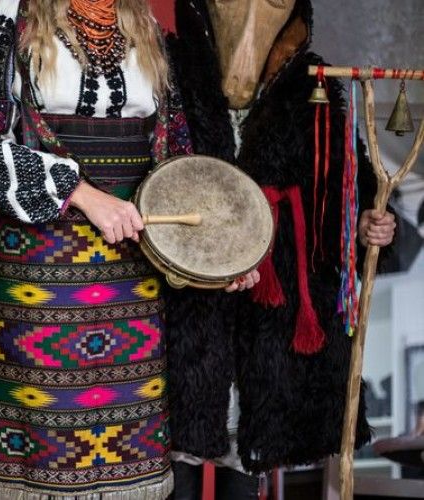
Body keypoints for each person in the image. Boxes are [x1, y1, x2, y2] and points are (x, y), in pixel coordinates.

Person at [0, 0, 258, 498]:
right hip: (39, 276)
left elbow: (175, 158)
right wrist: (81, 194)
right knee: (47, 456)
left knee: (128, 459)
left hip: (132, 274)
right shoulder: (13, 15)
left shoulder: (146, 28)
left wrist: (216, 258)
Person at [164, 0, 396, 498]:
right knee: (175, 459)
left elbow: (344, 187)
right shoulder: (167, 74)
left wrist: (364, 227)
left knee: (248, 453)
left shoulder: (316, 89)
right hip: (186, 305)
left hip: (274, 309)